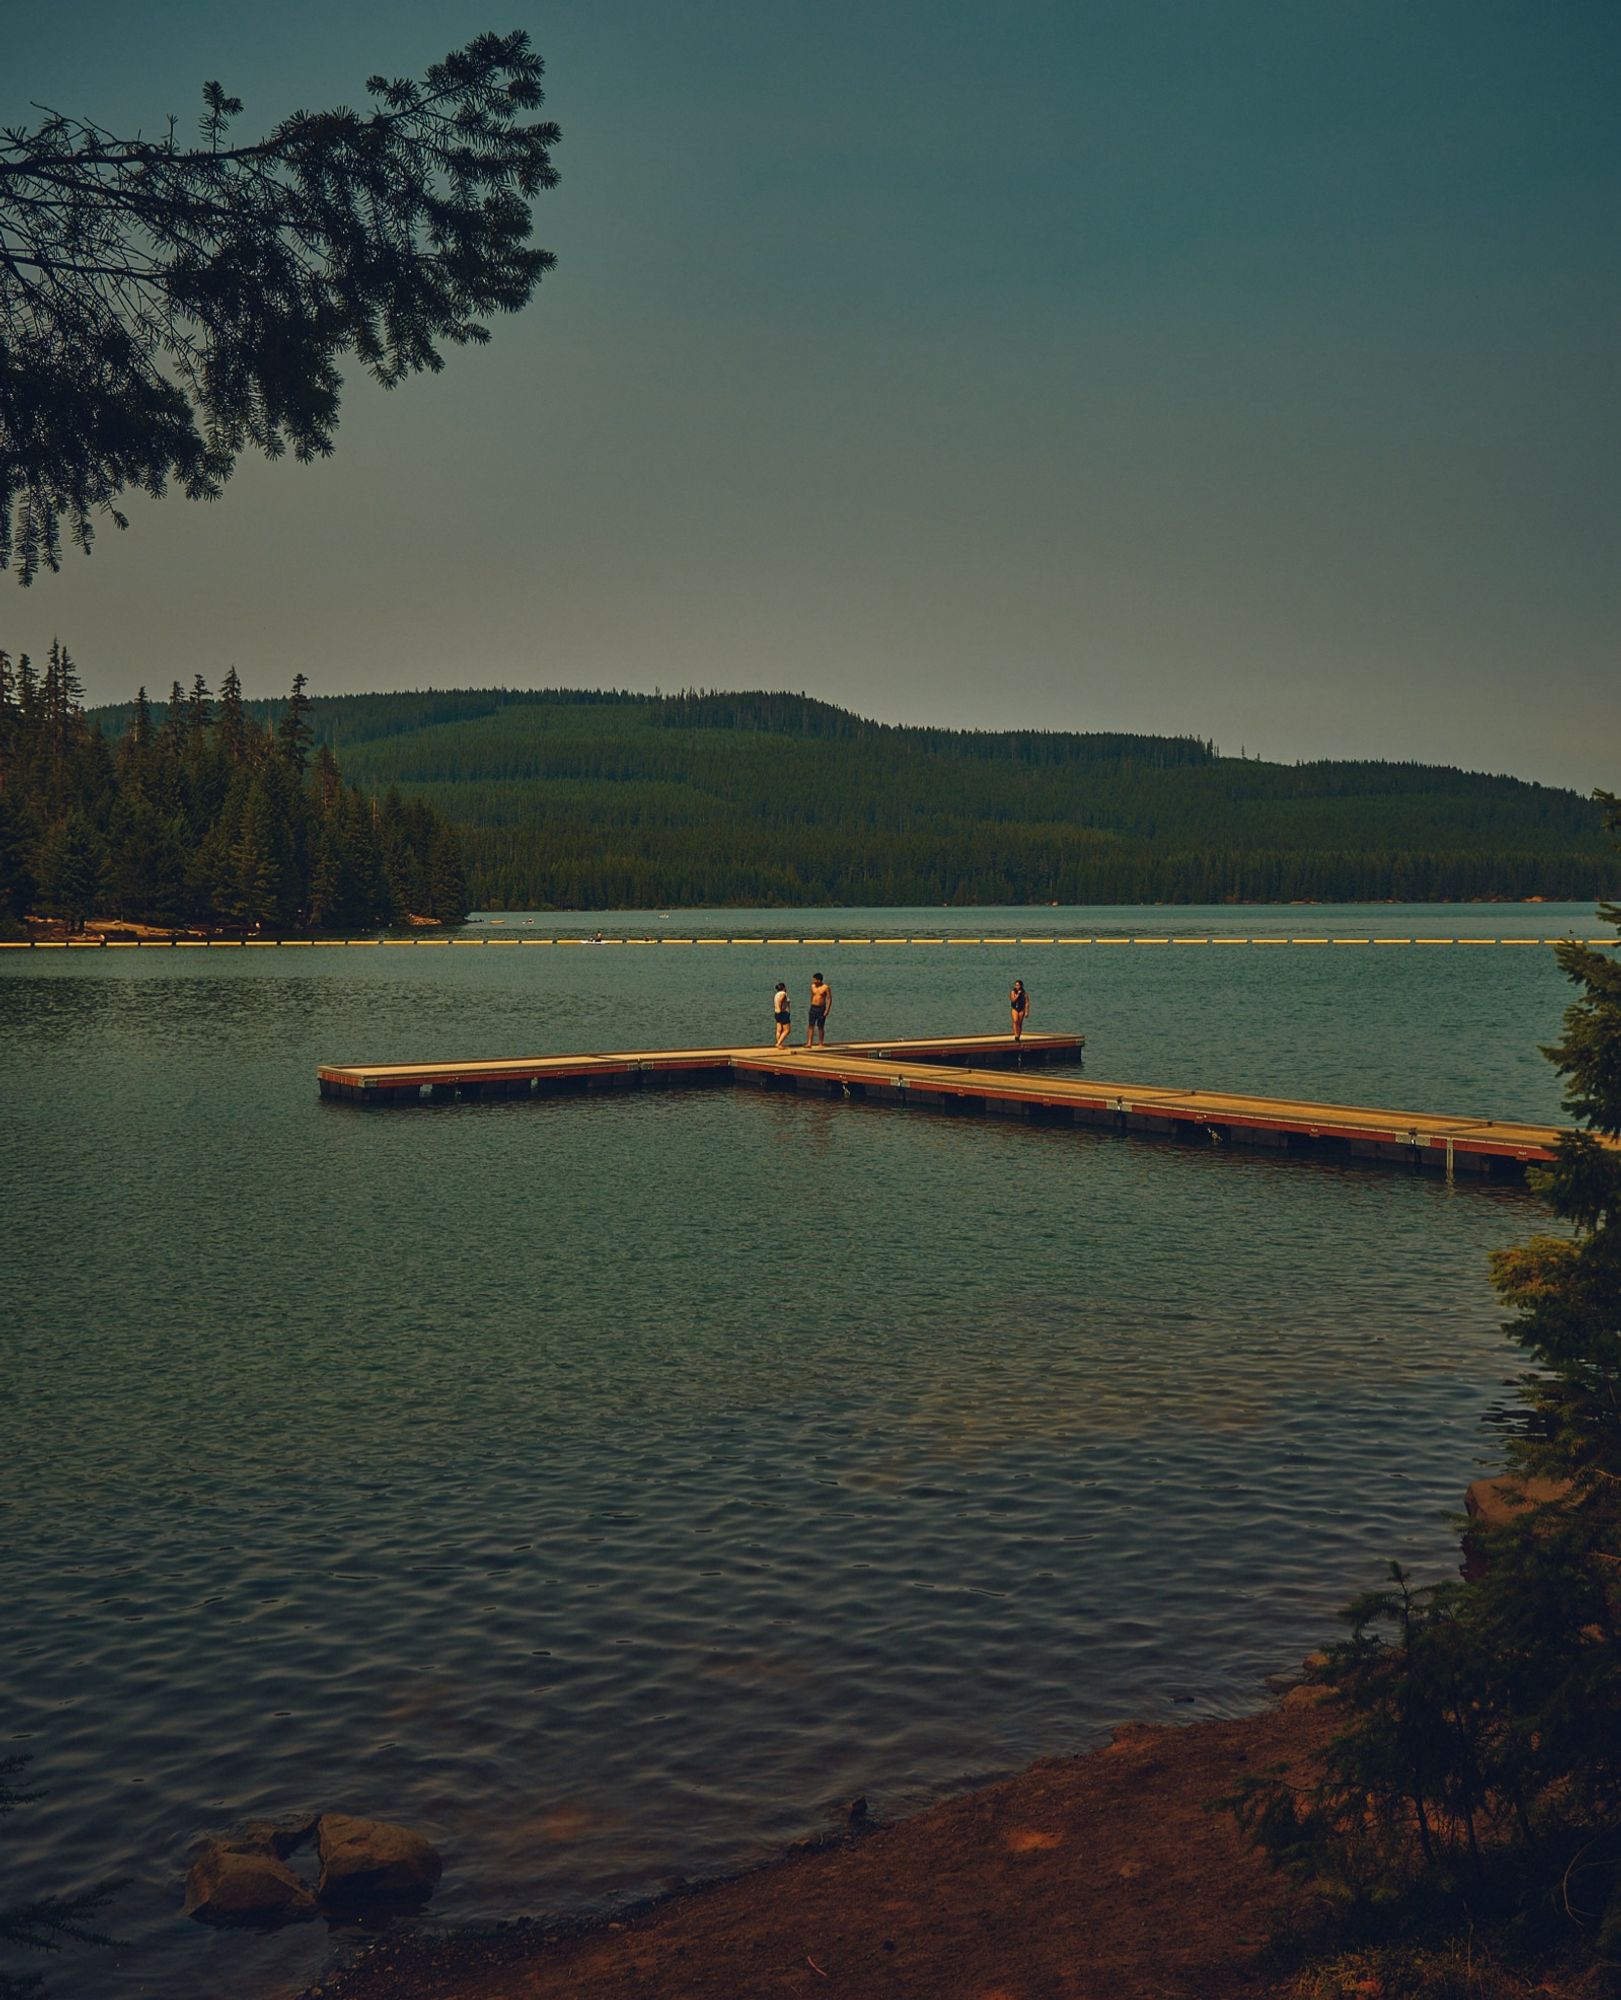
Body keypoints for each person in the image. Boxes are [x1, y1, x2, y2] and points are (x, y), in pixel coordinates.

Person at [805, 971, 832, 1047]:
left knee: (820, 1026)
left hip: (821, 1008)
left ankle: (820, 1043)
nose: (813, 981)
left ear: (819, 980)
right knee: (811, 1025)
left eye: (814, 979)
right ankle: (809, 1043)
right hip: (813, 1007)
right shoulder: (812, 986)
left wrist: (827, 1010)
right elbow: (812, 995)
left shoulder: (825, 987)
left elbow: (829, 998)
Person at [772, 980, 791, 1048]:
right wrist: (780, 1009)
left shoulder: (776, 994)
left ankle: (779, 1043)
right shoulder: (783, 993)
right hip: (783, 1013)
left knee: (779, 1029)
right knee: (787, 1030)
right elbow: (780, 1001)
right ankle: (779, 1043)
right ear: (784, 988)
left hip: (777, 1013)